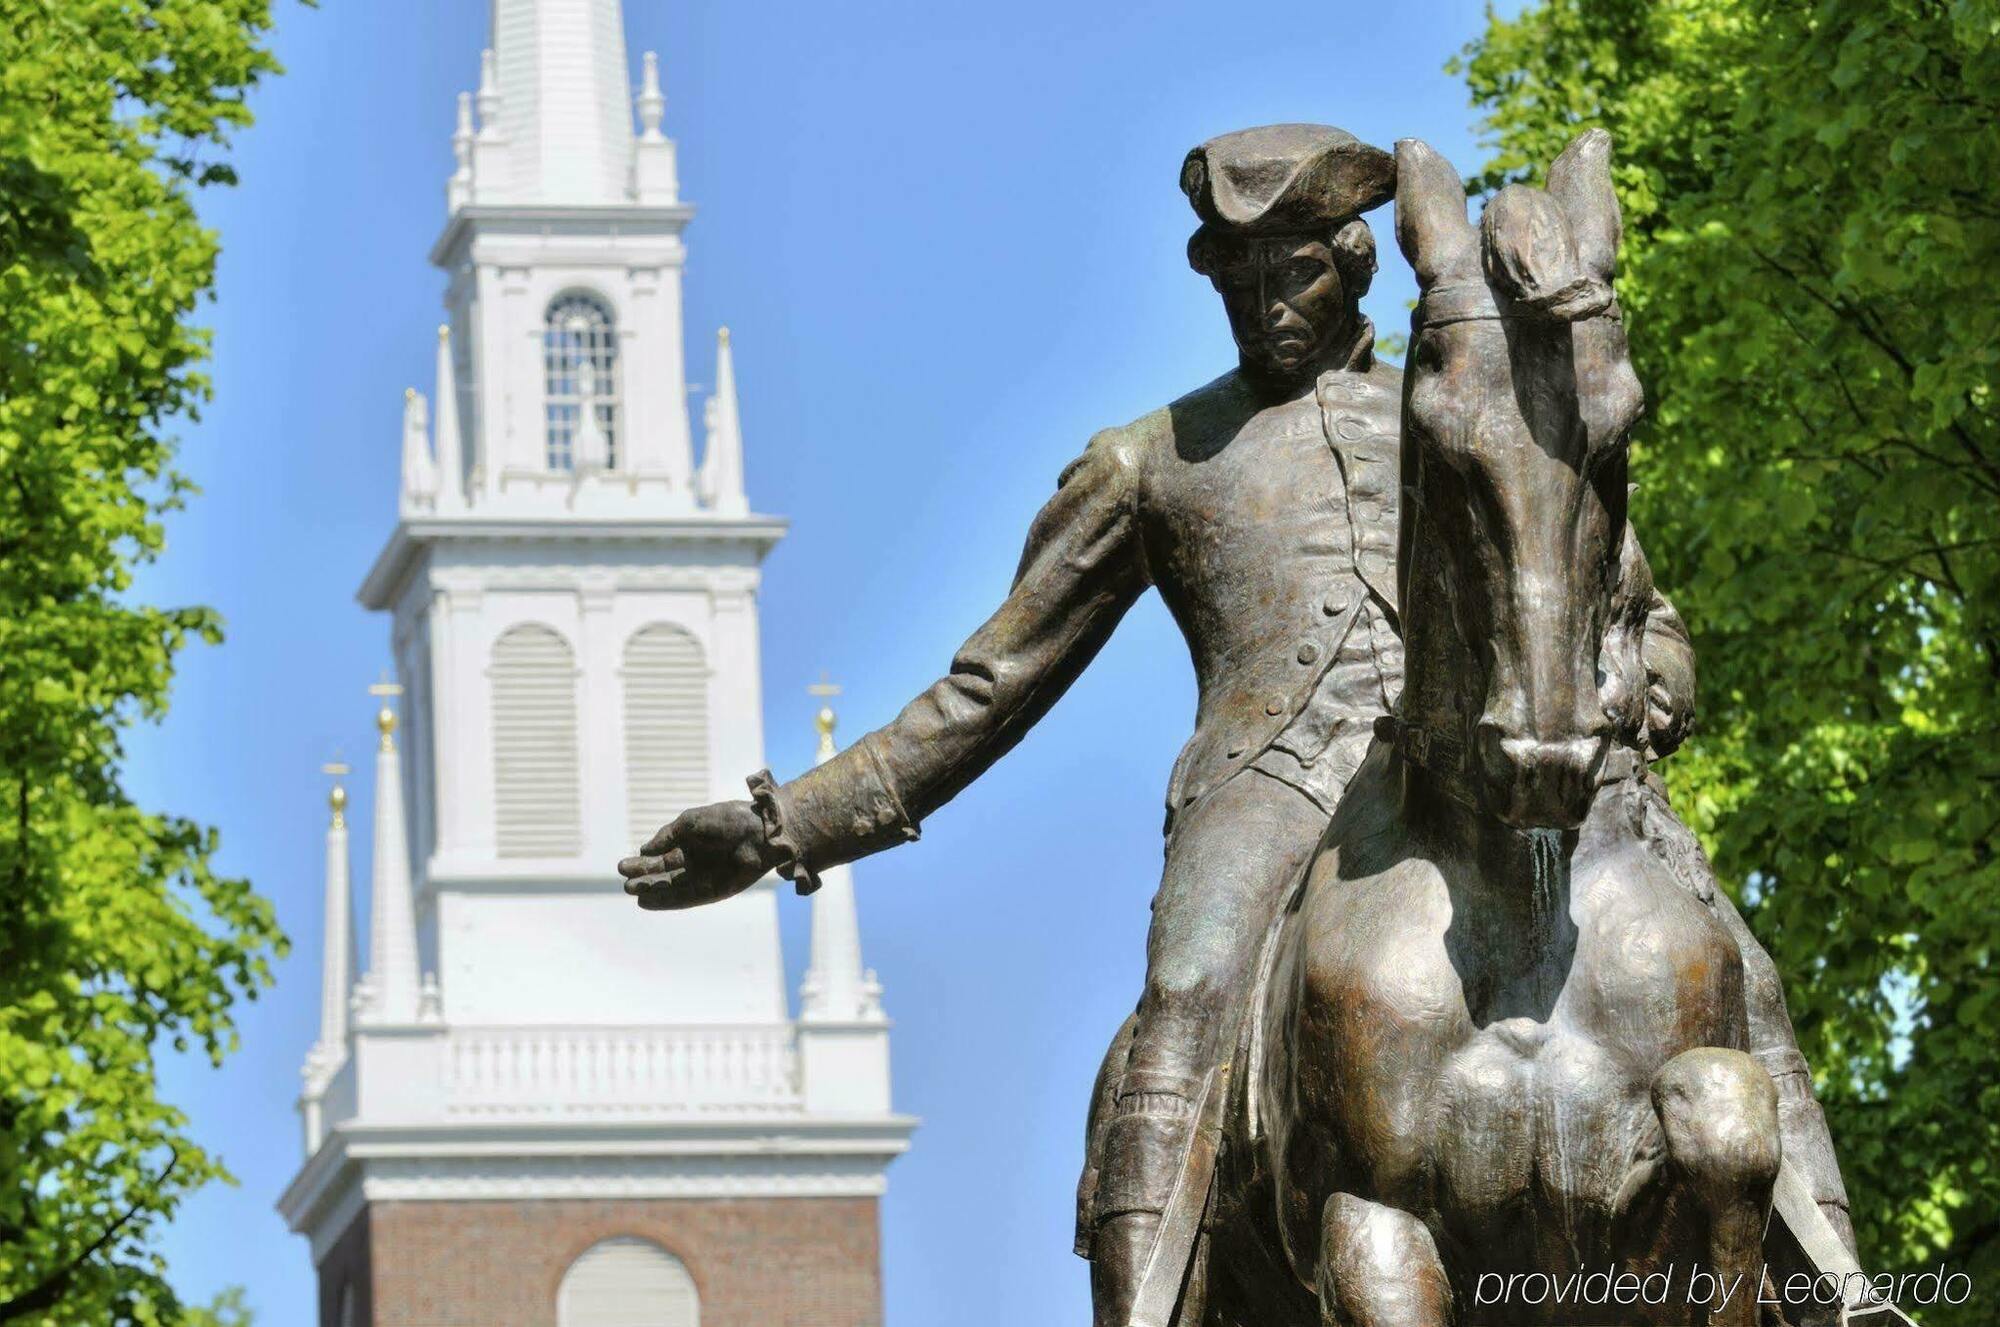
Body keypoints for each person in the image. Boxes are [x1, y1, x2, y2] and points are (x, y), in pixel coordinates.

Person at [618, 124, 1729, 1324]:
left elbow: (1627, 597)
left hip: (1477, 759)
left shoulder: (1460, 399)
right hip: (1272, 786)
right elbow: (990, 688)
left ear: (1354, 264)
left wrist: (1651, 684)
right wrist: (787, 827)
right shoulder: (1146, 462)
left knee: (1710, 946)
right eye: (1234, 286)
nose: (1263, 312)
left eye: (1289, 277)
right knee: (1189, 990)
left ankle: (1823, 1272)